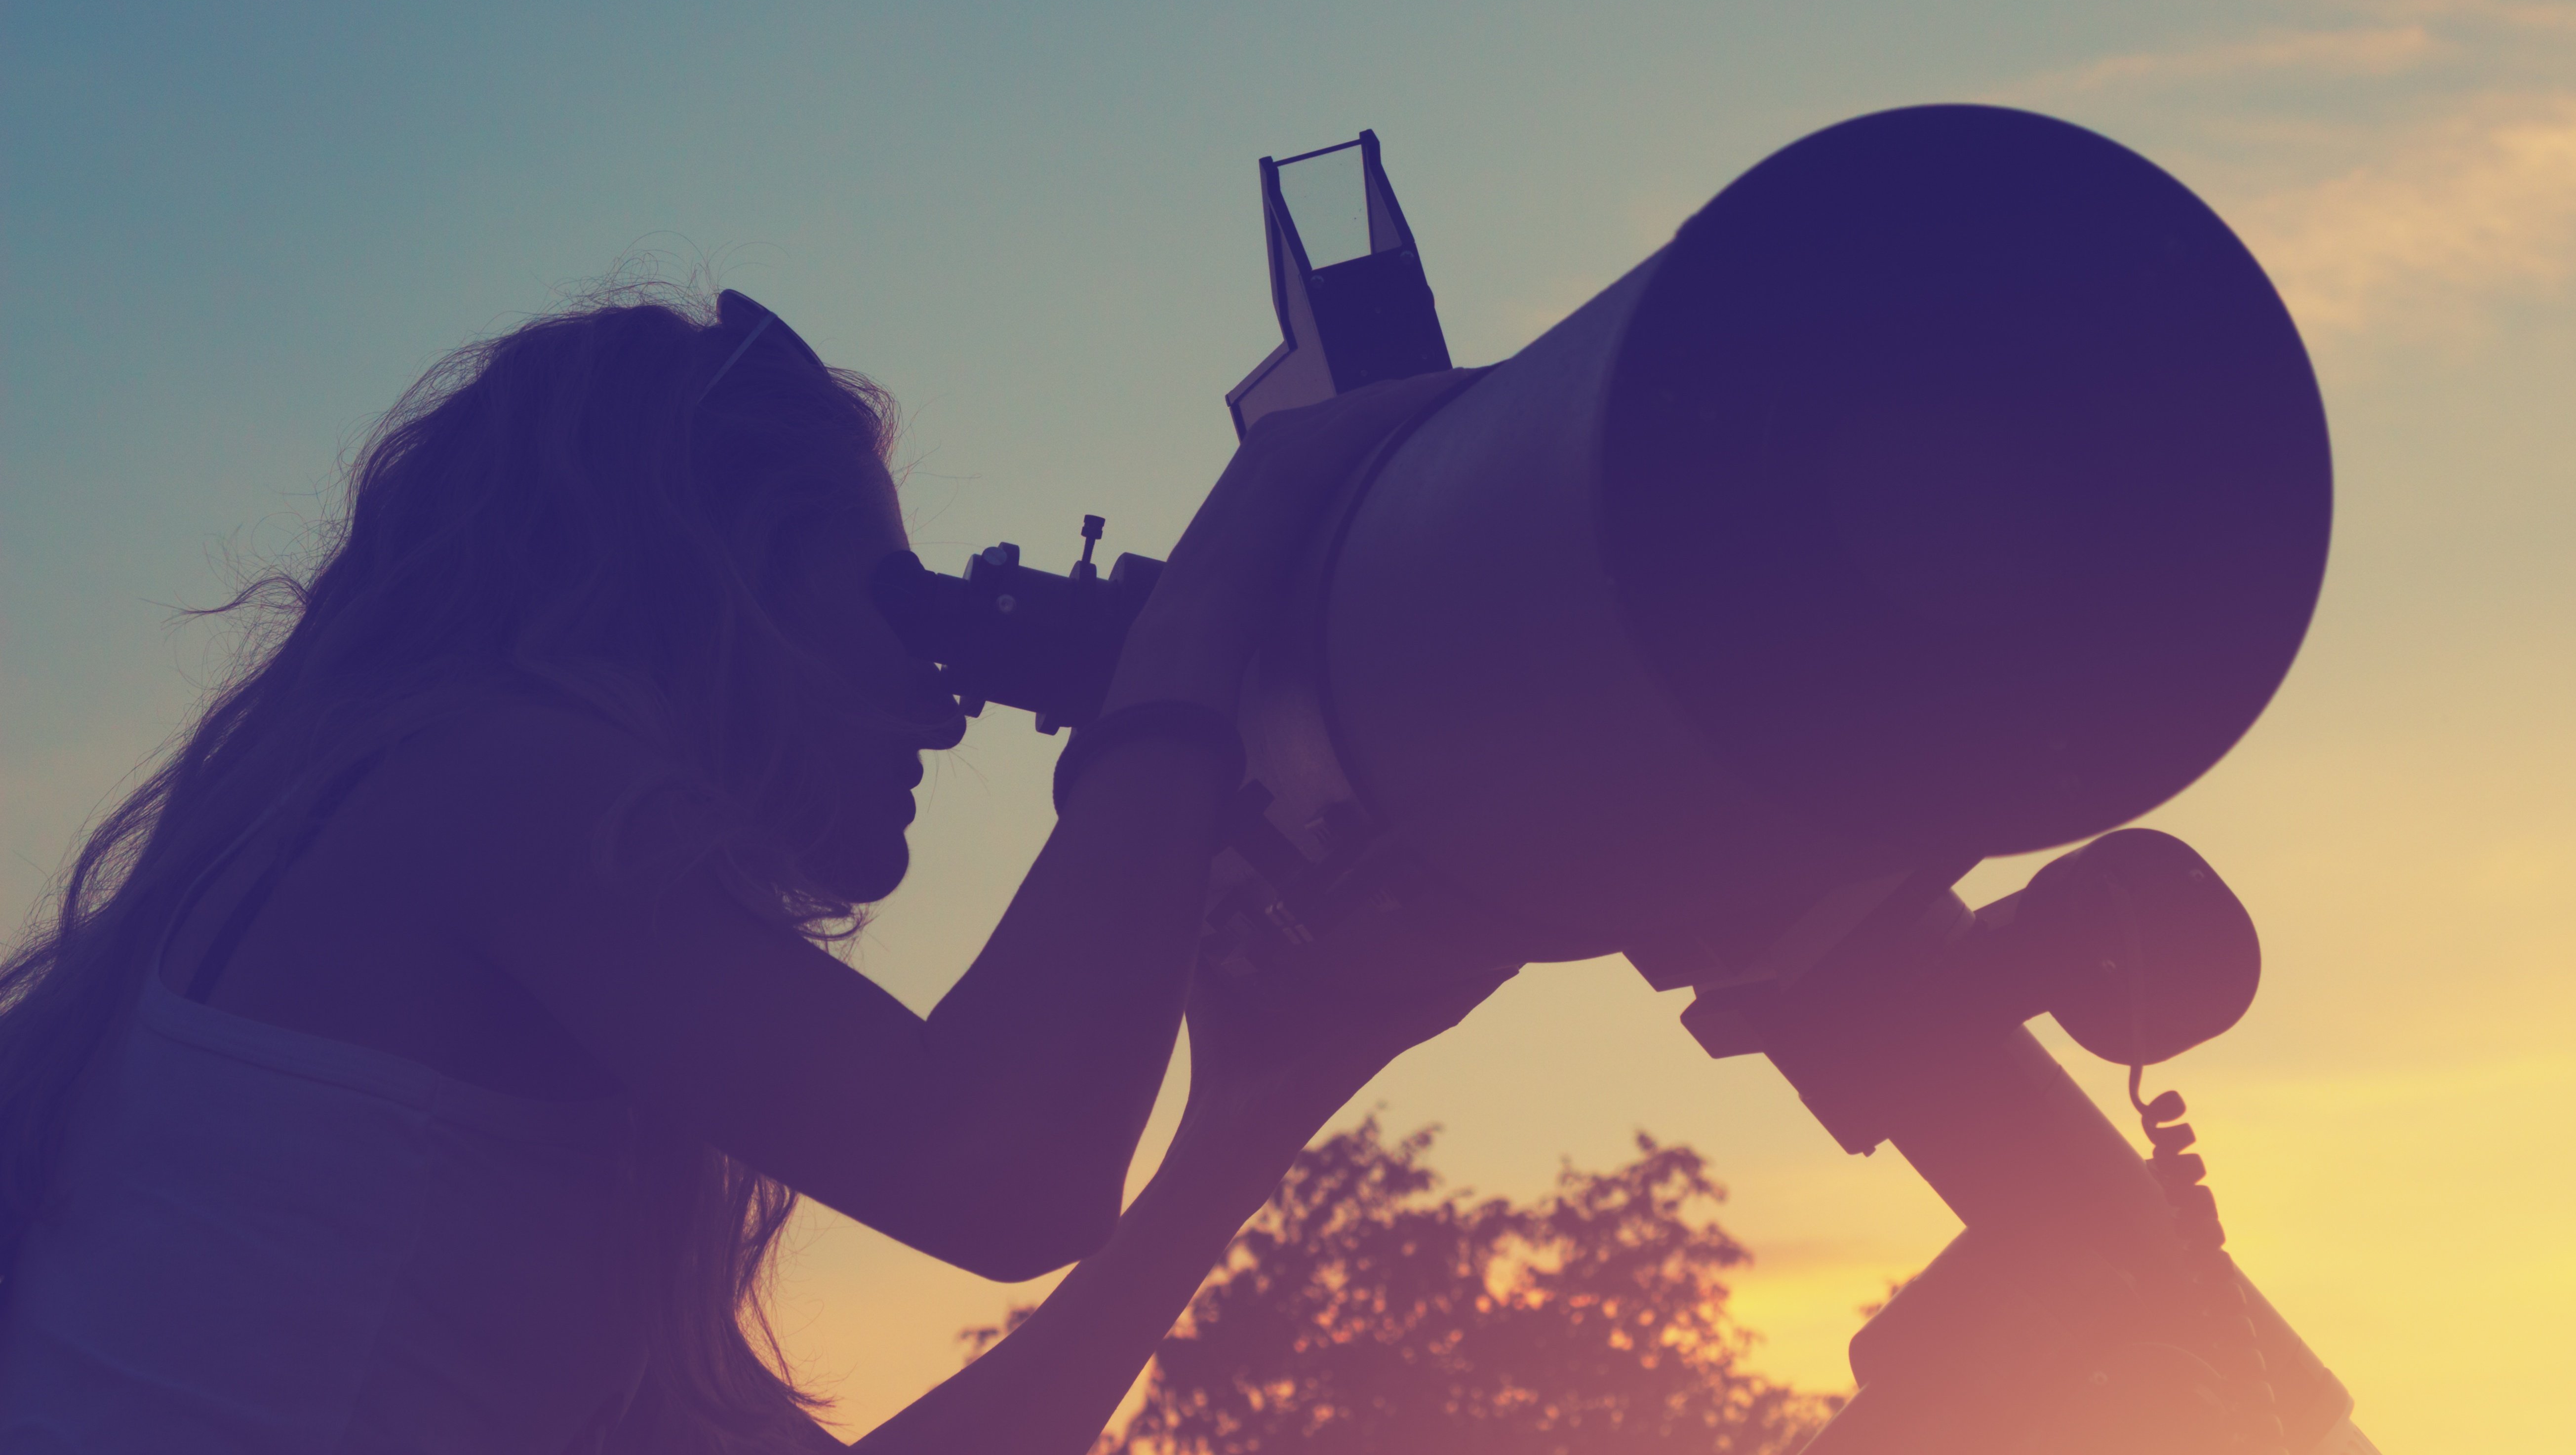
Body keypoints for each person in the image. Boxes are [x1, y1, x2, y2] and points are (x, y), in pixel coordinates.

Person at [0, 285, 1506, 1453]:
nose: (940, 697)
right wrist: (1210, 608)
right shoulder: (486, 777)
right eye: (894, 601)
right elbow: (1008, 1174)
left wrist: (1245, 1125)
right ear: (707, 590)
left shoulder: (415, 907)